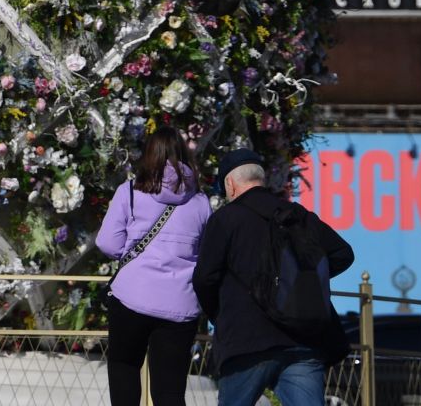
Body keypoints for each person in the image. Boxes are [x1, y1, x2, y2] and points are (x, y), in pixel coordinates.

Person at [192, 149, 354, 406]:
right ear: (262, 179)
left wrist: (219, 314)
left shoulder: (226, 219)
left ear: (230, 185)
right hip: (303, 339)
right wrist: (302, 278)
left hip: (246, 340)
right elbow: (343, 254)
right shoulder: (297, 216)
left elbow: (204, 278)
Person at [97, 127, 212, 406]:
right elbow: (206, 254)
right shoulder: (200, 202)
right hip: (179, 305)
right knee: (170, 391)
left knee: (124, 366)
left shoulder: (130, 193)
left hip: (131, 297)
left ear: (149, 155)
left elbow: (107, 243)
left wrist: (134, 258)